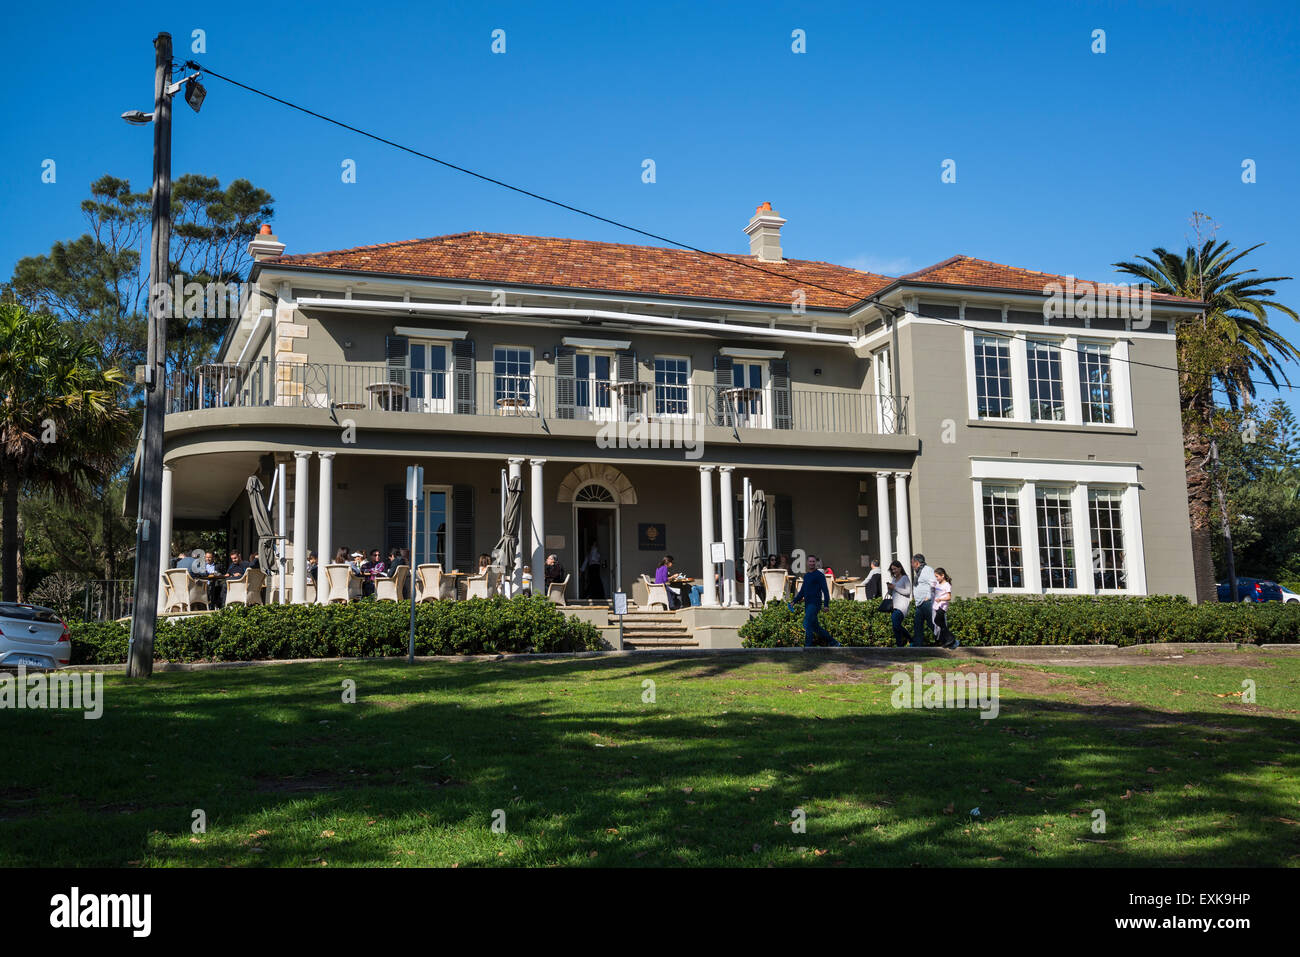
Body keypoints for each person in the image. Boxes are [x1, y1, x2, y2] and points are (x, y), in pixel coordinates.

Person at [789, 554, 839, 648]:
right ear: (807, 563)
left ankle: (808, 647)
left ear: (815, 563)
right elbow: (802, 591)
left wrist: (826, 605)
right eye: (810, 561)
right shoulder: (807, 576)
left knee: (806, 623)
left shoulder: (819, 575)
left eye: (813, 561)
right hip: (808, 604)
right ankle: (833, 642)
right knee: (816, 627)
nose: (812, 563)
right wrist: (794, 601)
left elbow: (825, 590)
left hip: (815, 604)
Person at [911, 553, 938, 648]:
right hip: (920, 604)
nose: (911, 565)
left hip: (926, 603)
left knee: (933, 624)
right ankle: (917, 646)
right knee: (918, 626)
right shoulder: (919, 572)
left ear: (917, 563)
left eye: (912, 562)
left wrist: (928, 597)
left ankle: (950, 641)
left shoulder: (927, 570)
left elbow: (934, 583)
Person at [886, 560, 912, 647]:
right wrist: (890, 589)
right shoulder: (893, 579)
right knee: (895, 627)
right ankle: (899, 645)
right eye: (892, 570)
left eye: (895, 569)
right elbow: (891, 593)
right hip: (895, 605)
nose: (894, 571)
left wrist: (895, 587)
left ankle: (910, 638)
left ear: (900, 568)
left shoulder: (905, 578)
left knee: (896, 625)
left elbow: (908, 592)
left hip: (903, 606)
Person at [932, 567, 959, 649]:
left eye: (937, 576)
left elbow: (949, 597)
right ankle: (950, 640)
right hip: (937, 606)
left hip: (942, 606)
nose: (936, 578)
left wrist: (940, 599)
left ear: (942, 575)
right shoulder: (938, 584)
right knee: (941, 624)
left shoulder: (947, 585)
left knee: (937, 621)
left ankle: (951, 638)